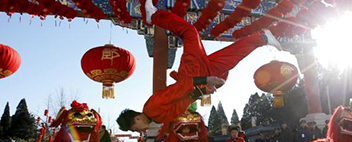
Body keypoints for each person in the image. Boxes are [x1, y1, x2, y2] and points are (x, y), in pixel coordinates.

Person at [116, 1, 282, 133]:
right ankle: (262, 37)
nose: (139, 131)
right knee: (229, 59)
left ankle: (154, 17)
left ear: (137, 119)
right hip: (197, 79)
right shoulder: (156, 118)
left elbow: (179, 89)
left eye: (136, 129)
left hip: (191, 74)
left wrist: (205, 80)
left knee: (190, 32)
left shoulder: (151, 108)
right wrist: (202, 91)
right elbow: (183, 99)